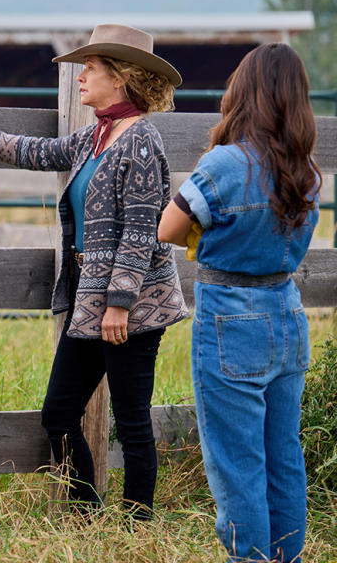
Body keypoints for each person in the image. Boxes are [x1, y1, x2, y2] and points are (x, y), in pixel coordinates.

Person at [0, 24, 188, 520]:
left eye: (91, 68)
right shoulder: (97, 135)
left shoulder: (140, 142)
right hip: (88, 301)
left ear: (120, 78)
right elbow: (42, 152)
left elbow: (142, 233)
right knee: (58, 413)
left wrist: (119, 304)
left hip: (130, 309)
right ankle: (86, 514)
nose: (81, 77)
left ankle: (137, 528)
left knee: (132, 422)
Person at [158, 43, 318, 562]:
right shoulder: (305, 171)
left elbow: (168, 227)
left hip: (230, 317)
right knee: (283, 457)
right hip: (288, 314)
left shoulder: (225, 163)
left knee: (236, 462)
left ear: (244, 94)